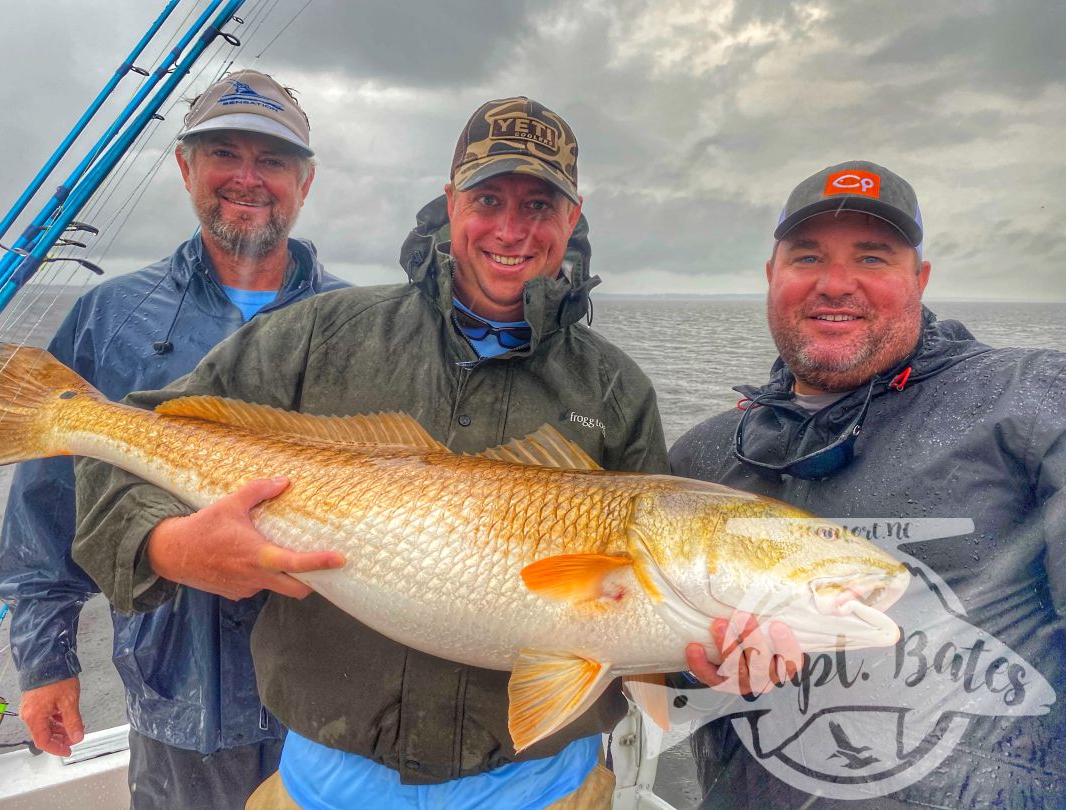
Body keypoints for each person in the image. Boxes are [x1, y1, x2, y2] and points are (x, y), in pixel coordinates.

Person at [70, 95, 757, 810]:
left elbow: (642, 632)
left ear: (573, 218)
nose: (512, 229)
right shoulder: (318, 335)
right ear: (451, 202)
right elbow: (122, 437)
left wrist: (703, 661)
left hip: (546, 787)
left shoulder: (615, 390)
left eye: (540, 205)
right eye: (489, 198)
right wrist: (170, 545)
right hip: (326, 783)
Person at [0, 70, 346, 809]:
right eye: (224, 153)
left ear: (304, 183)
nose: (247, 178)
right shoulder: (109, 316)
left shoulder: (363, 326)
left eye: (273, 160)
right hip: (177, 703)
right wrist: (45, 659)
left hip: (333, 709)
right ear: (186, 167)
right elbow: (46, 509)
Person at [669, 160, 1066, 808]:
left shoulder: (1032, 402)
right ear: (772, 277)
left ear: (920, 279)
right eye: (807, 257)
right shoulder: (702, 458)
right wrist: (692, 661)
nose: (835, 284)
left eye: (873, 257)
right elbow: (659, 677)